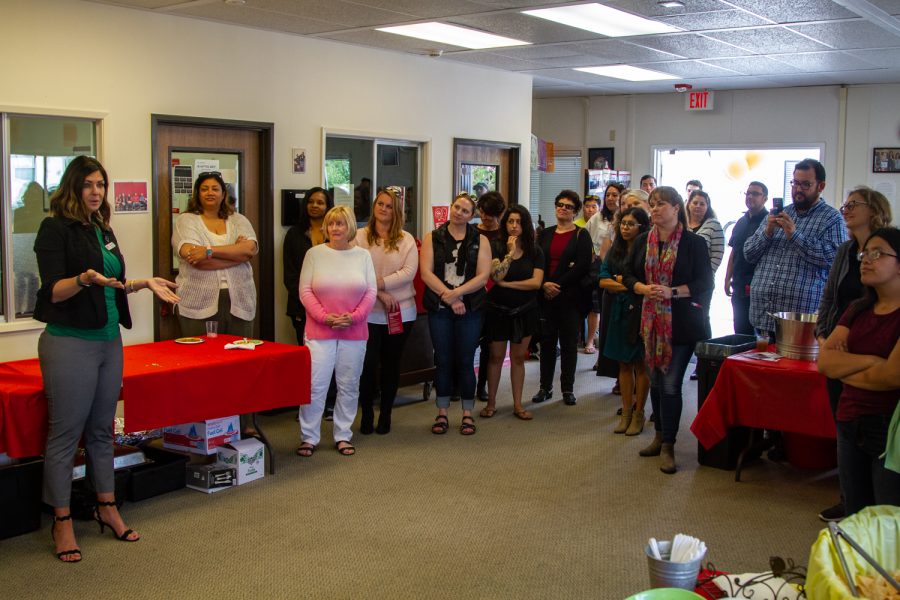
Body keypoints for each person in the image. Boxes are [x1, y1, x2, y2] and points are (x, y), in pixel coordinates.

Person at [33, 156, 180, 563]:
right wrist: (81, 280)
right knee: (65, 436)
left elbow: (110, 283)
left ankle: (107, 507)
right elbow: (53, 291)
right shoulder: (54, 228)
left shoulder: (103, 228)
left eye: (101, 184)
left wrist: (142, 282)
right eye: (88, 185)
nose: (96, 191)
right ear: (72, 187)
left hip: (108, 340)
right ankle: (61, 519)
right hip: (69, 342)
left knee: (102, 430)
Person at [814, 187, 892, 522]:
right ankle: (849, 497)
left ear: (874, 209)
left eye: (853, 204)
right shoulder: (846, 250)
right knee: (844, 422)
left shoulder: (889, 247)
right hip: (841, 339)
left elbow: (890, 375)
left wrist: (844, 364)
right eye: (844, 204)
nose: (845, 209)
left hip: (872, 343)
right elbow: (829, 296)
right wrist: (822, 334)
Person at [623, 186, 713, 474]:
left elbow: (704, 284)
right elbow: (627, 274)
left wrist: (672, 291)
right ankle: (659, 436)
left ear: (677, 208)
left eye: (662, 204)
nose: (656, 209)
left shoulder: (693, 243)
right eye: (653, 204)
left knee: (672, 384)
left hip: (682, 324)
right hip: (649, 324)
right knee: (658, 385)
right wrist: (640, 287)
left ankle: (669, 446)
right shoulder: (641, 241)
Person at [172, 171, 259, 434]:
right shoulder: (186, 220)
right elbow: (193, 257)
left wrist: (210, 250)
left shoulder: (239, 220)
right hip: (197, 302)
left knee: (241, 365)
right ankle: (207, 426)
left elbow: (251, 250)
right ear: (197, 194)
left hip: (239, 299)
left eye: (216, 188)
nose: (210, 193)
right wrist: (236, 254)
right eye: (204, 189)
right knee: (202, 369)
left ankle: (244, 424)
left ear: (224, 193)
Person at [297, 206, 376, 458]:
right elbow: (305, 291)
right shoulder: (314, 254)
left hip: (354, 331)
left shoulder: (363, 256)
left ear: (350, 226)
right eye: (331, 224)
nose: (335, 229)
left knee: (349, 385)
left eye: (340, 224)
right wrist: (325, 318)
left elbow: (370, 292)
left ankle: (343, 435)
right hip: (319, 331)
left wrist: (353, 317)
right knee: (315, 386)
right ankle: (309, 437)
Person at [744, 159, 847, 337]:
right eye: (795, 183)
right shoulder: (778, 214)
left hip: (799, 321)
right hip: (762, 316)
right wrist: (767, 232)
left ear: (820, 186)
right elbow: (749, 254)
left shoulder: (832, 218)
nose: (798, 189)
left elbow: (833, 259)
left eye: (805, 184)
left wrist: (795, 236)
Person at [420, 193, 491, 435]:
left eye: (465, 210)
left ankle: (467, 414)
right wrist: (448, 298)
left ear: (472, 216)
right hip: (440, 308)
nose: (459, 212)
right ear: (450, 208)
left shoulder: (480, 240)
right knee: (443, 360)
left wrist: (457, 294)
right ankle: (441, 413)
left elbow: (483, 276)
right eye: (456, 207)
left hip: (470, 309)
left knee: (464, 360)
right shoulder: (433, 237)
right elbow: (426, 273)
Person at [355, 188, 418, 435]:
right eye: (380, 204)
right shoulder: (359, 237)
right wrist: (379, 292)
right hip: (368, 311)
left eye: (389, 206)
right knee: (368, 365)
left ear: (397, 211)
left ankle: (387, 414)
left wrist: (376, 284)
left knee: (391, 365)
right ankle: (367, 413)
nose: (383, 209)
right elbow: (355, 271)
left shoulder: (406, 239)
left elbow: (408, 273)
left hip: (401, 311)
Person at [480, 205, 544, 420]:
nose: (514, 226)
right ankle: (491, 404)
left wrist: (509, 285)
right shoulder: (495, 246)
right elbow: (497, 276)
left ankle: (518, 405)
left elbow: (536, 283)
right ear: (505, 223)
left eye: (518, 222)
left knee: (518, 358)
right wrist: (509, 252)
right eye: (510, 221)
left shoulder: (535, 250)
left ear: (525, 224)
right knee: (496, 357)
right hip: (498, 309)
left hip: (525, 310)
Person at [532, 190, 593, 406]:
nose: (563, 208)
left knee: (568, 345)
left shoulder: (581, 234)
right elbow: (537, 262)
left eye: (568, 206)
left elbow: (583, 266)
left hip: (570, 298)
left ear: (575, 211)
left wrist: (557, 284)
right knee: (547, 344)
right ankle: (544, 387)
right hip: (546, 296)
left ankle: (567, 389)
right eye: (560, 204)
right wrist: (544, 284)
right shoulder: (545, 233)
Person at [599, 206, 651, 435]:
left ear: (642, 227)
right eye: (623, 223)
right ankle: (626, 411)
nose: (626, 228)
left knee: (640, 363)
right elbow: (602, 279)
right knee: (623, 363)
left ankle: (639, 413)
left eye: (631, 224)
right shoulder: (616, 249)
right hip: (619, 309)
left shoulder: (648, 249)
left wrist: (621, 283)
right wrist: (628, 285)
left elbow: (648, 284)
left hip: (641, 310)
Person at [283, 187, 332, 345]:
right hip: (301, 307)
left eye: (320, 202)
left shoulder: (336, 234)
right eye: (310, 202)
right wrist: (309, 301)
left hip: (331, 306)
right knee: (308, 354)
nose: (315, 205)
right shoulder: (294, 234)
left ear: (328, 206)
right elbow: (290, 276)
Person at [474, 192, 507, 400]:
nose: (486, 218)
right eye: (483, 213)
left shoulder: (504, 237)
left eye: (491, 215)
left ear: (500, 214)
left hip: (496, 295)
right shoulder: (471, 232)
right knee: (466, 342)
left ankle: (482, 386)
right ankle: (460, 384)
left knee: (489, 344)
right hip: (472, 293)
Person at [724, 182, 769, 334]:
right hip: (738, 285)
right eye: (748, 193)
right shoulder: (740, 222)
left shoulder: (769, 223)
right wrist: (727, 278)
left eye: (755, 193)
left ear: (765, 198)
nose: (750, 196)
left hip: (759, 288)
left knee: (757, 336)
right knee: (740, 331)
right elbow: (734, 252)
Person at [687, 190, 725, 274]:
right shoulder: (681, 225)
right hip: (682, 277)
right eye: (695, 203)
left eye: (702, 204)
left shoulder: (714, 225)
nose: (698, 206)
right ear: (689, 204)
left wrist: (706, 275)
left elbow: (717, 255)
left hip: (703, 278)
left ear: (707, 207)